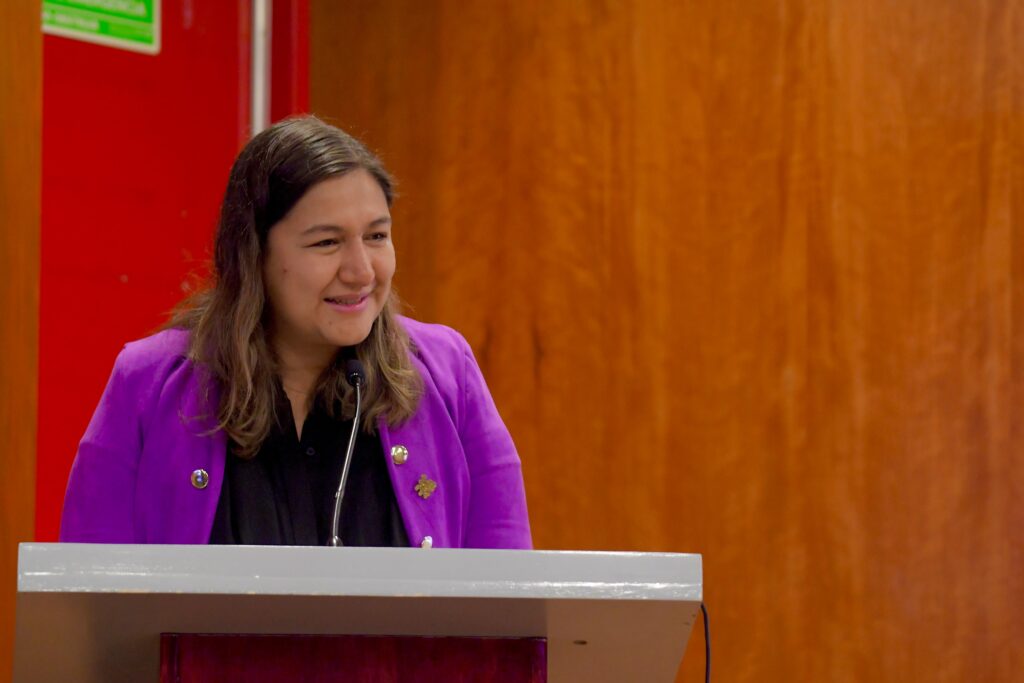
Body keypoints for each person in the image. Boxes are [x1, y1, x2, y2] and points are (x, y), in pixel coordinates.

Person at [59, 116, 531, 550]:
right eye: (326, 243)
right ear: (254, 253)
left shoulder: (448, 373)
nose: (361, 271)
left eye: (377, 236)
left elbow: (508, 606)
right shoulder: (148, 382)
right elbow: (89, 606)